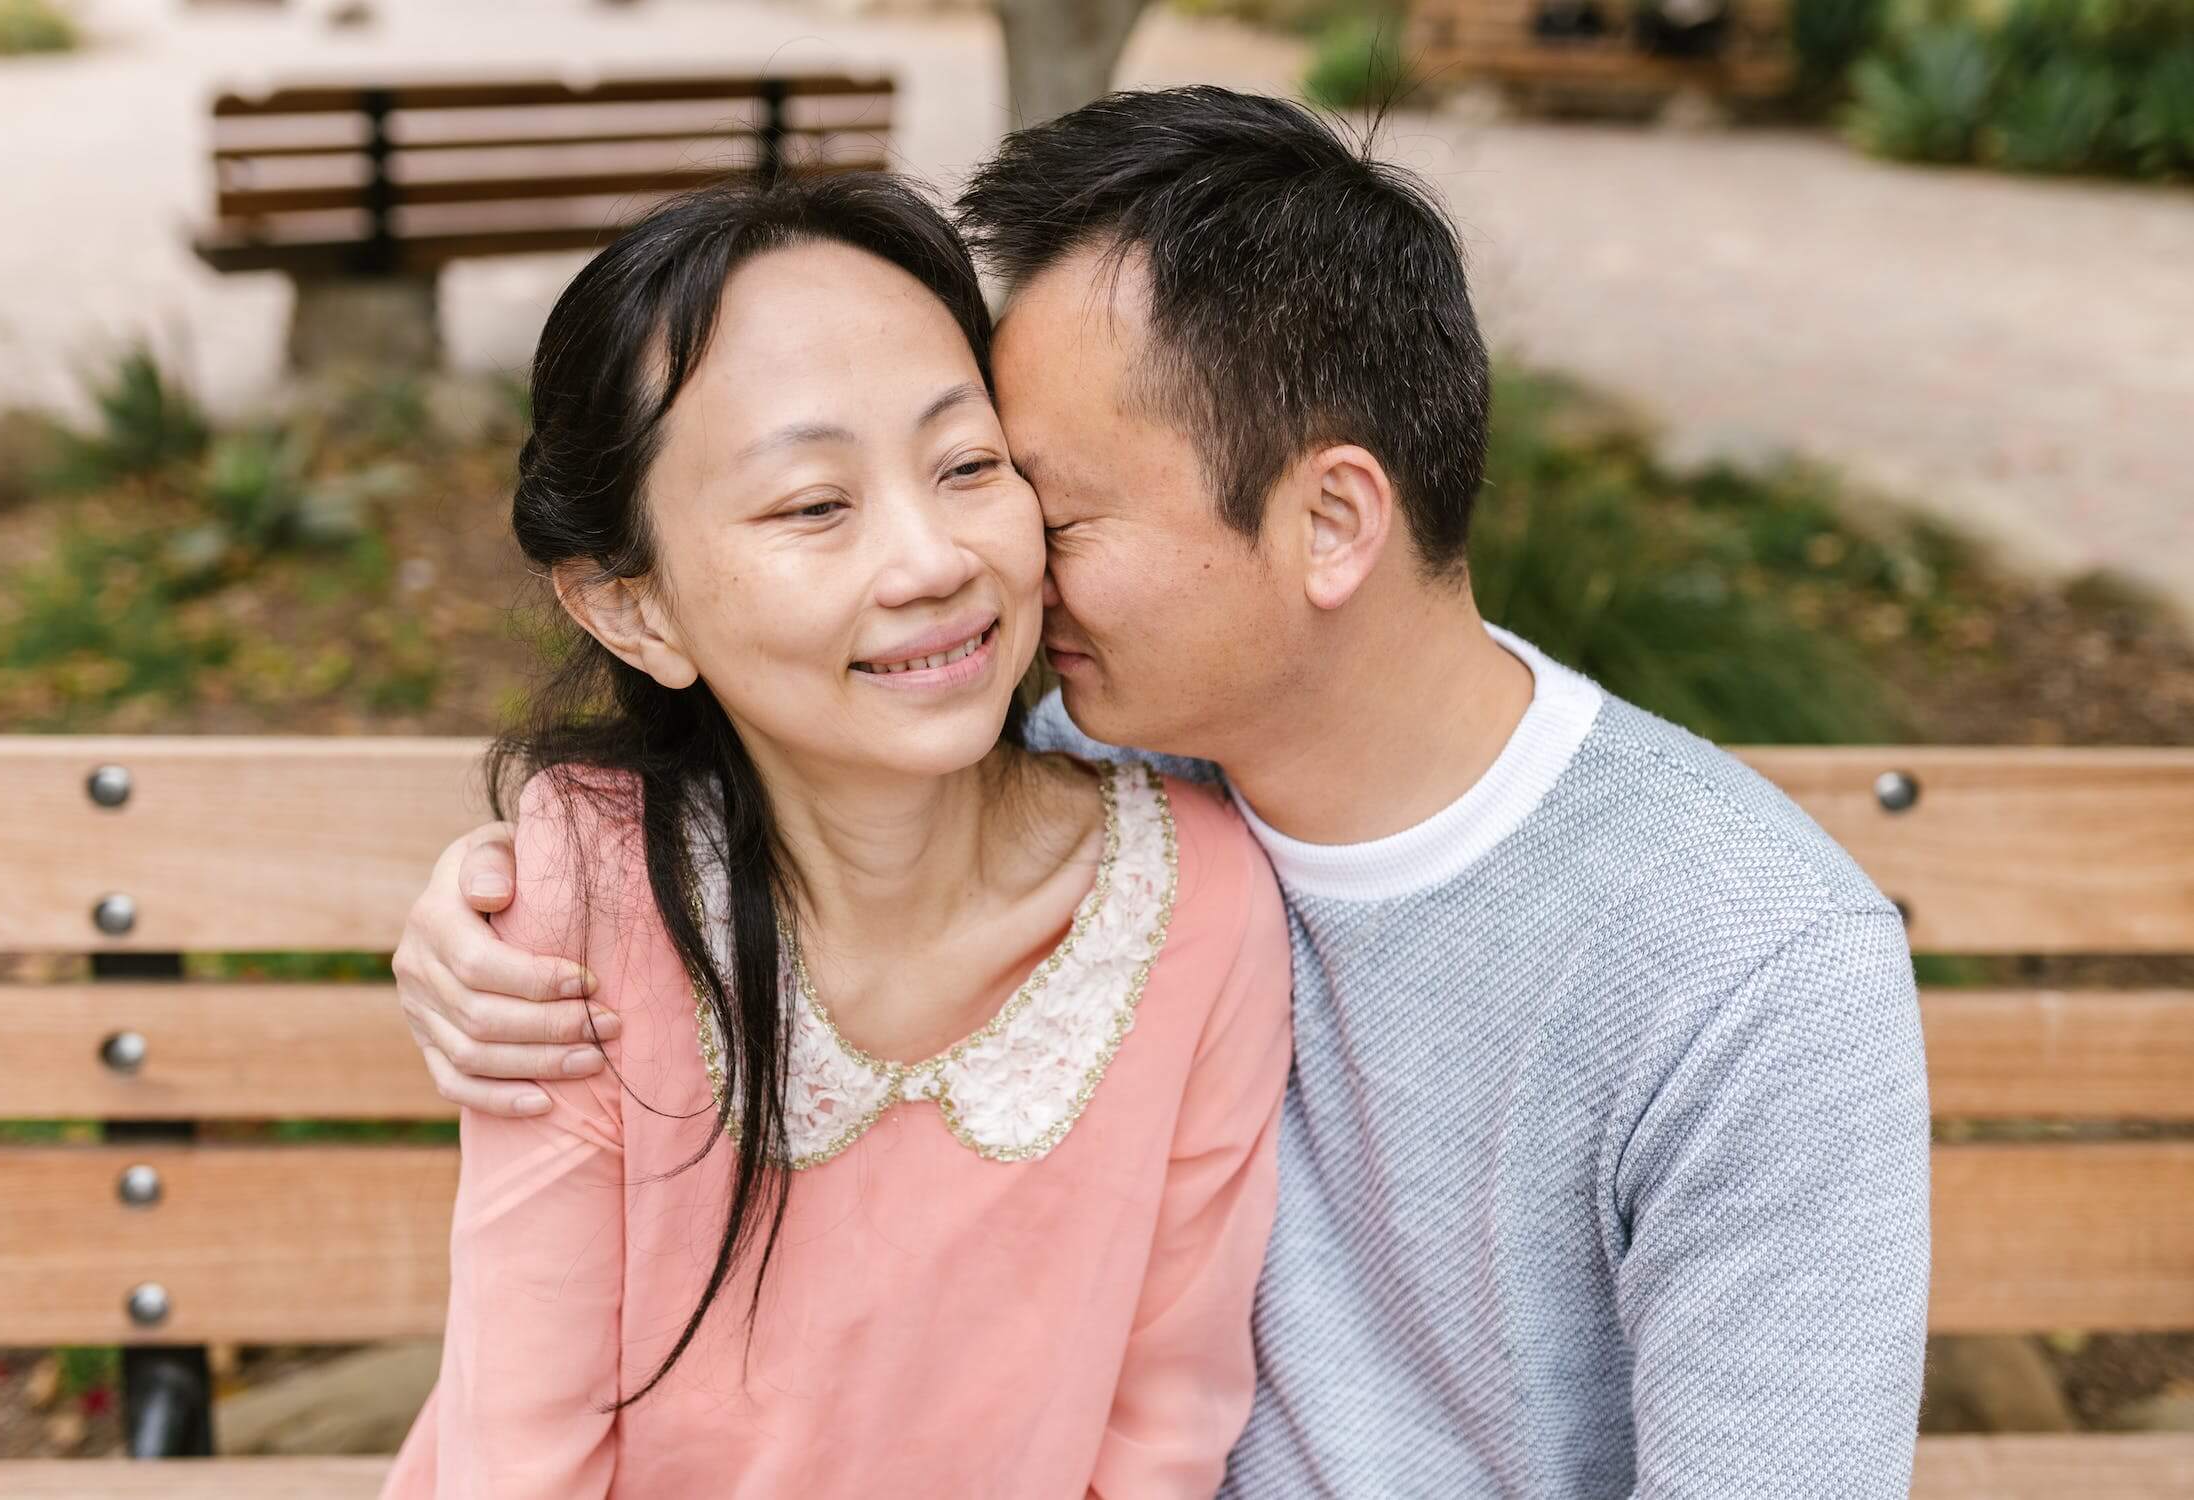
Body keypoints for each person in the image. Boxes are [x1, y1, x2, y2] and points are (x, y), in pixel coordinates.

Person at [394, 89, 1932, 1497]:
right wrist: (491, 915)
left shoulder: (1747, 975)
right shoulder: (1082, 757)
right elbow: (751, 823)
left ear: (1329, 522)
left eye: (1030, 498)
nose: (971, 568)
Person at [379, 172, 1294, 1500]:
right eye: (815, 505)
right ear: (636, 612)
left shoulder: (1194, 902)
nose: (931, 561)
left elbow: (1162, 1429)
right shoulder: (591, 894)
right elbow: (522, 1451)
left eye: (967, 466)